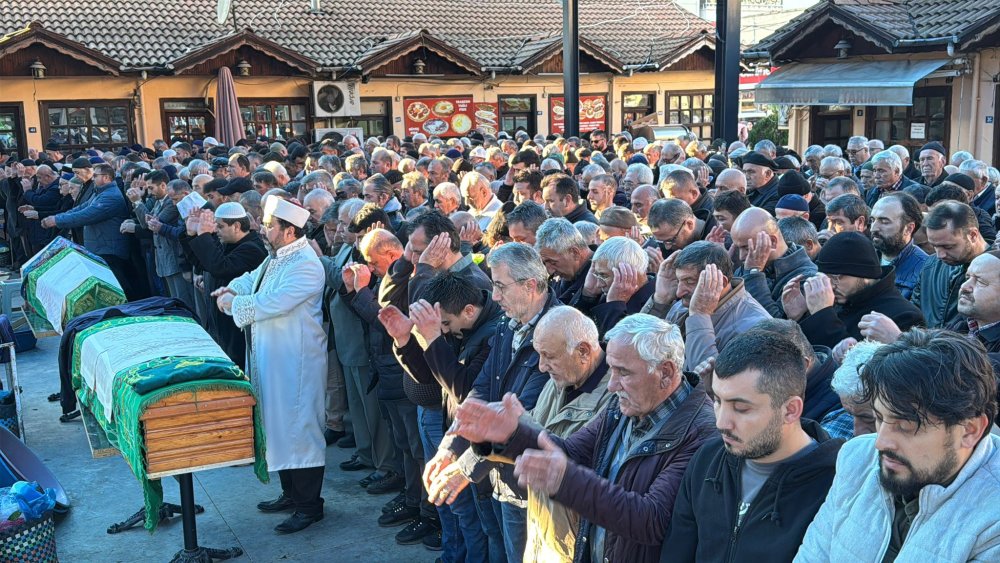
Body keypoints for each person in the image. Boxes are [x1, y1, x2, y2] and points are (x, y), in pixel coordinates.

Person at [448, 313, 717, 563]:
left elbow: (651, 519)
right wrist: (513, 435)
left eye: (623, 372)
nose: (612, 385)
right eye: (611, 370)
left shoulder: (702, 432)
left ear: (666, 372)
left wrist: (565, 481)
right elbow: (570, 453)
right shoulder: (622, 407)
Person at [795, 330, 1000, 562]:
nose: (880, 443)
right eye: (879, 418)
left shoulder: (994, 520)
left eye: (905, 425)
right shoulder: (856, 456)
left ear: (969, 431)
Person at [425, 243, 559, 563]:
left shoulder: (555, 331)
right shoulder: (505, 325)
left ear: (530, 286)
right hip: (497, 476)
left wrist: (464, 469)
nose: (494, 297)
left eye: (499, 286)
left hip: (528, 485)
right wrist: (449, 448)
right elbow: (480, 391)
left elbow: (521, 417)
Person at [662, 329, 842, 563]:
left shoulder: (834, 488)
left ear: (790, 410)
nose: (721, 423)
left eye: (741, 408)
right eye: (718, 401)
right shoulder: (708, 458)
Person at [214, 195, 328, 534]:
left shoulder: (306, 263)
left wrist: (232, 303)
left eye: (269, 225)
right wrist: (231, 290)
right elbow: (252, 280)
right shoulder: (277, 256)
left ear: (289, 231)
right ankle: (290, 495)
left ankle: (310, 506)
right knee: (276, 426)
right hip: (273, 357)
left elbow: (270, 302)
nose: (263, 230)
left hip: (296, 360)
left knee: (299, 430)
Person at [380, 272, 502, 562]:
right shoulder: (461, 326)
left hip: (479, 451)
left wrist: (434, 337)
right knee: (458, 515)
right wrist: (405, 340)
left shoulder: (494, 334)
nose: (443, 330)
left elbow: (464, 389)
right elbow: (431, 379)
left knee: (478, 526)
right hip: (455, 435)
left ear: (469, 311)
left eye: (446, 323)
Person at [520, 306, 613, 562]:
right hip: (543, 531)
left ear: (583, 351)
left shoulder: (614, 396)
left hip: (574, 542)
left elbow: (575, 460)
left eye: (548, 356)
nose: (541, 367)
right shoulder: (560, 380)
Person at [643, 241, 770, 371]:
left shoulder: (755, 328)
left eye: (689, 281)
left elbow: (708, 383)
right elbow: (642, 349)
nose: (679, 292)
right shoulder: (683, 304)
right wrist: (660, 300)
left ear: (720, 281)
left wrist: (700, 316)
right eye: (678, 280)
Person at [782, 232, 923, 349]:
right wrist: (800, 317)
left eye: (837, 278)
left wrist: (822, 315)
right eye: (826, 278)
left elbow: (854, 369)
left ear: (865, 275)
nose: (831, 286)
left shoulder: (905, 316)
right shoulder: (840, 299)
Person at [182, 202, 267, 369]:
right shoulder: (230, 242)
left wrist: (204, 235)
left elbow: (219, 267)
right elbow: (202, 264)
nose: (216, 230)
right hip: (222, 321)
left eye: (220, 226)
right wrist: (192, 234)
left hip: (237, 327)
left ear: (236, 226)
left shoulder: (253, 248)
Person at [42, 162, 135, 298]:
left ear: (106, 178)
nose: (93, 178)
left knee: (119, 286)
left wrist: (57, 221)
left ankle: (131, 311)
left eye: (96, 175)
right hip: (101, 247)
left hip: (109, 249)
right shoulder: (99, 192)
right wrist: (57, 217)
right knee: (111, 286)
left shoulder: (111, 196)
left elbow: (87, 215)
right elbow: (81, 209)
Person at [912, 201, 989, 328]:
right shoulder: (930, 265)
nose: (939, 255)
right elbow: (915, 312)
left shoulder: (995, 271)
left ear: (973, 235)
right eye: (934, 246)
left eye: (948, 246)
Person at [731, 207, 817, 318]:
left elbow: (771, 325)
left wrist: (753, 275)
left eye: (747, 248)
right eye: (739, 249)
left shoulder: (806, 278)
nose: (741, 256)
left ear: (772, 242)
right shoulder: (752, 262)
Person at [576, 237, 654, 334]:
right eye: (597, 274)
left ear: (627, 272)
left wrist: (615, 305)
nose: (599, 284)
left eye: (603, 275)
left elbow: (613, 344)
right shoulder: (605, 292)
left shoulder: (655, 303)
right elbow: (575, 329)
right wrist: (587, 295)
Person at [869, 192, 928, 299]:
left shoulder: (926, 271)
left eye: (884, 222)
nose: (874, 228)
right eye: (872, 220)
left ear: (909, 228)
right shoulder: (864, 258)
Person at [535, 217, 594, 304]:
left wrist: (586, 297)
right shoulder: (563, 275)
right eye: (545, 263)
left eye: (553, 262)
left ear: (575, 253)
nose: (550, 271)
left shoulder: (602, 281)